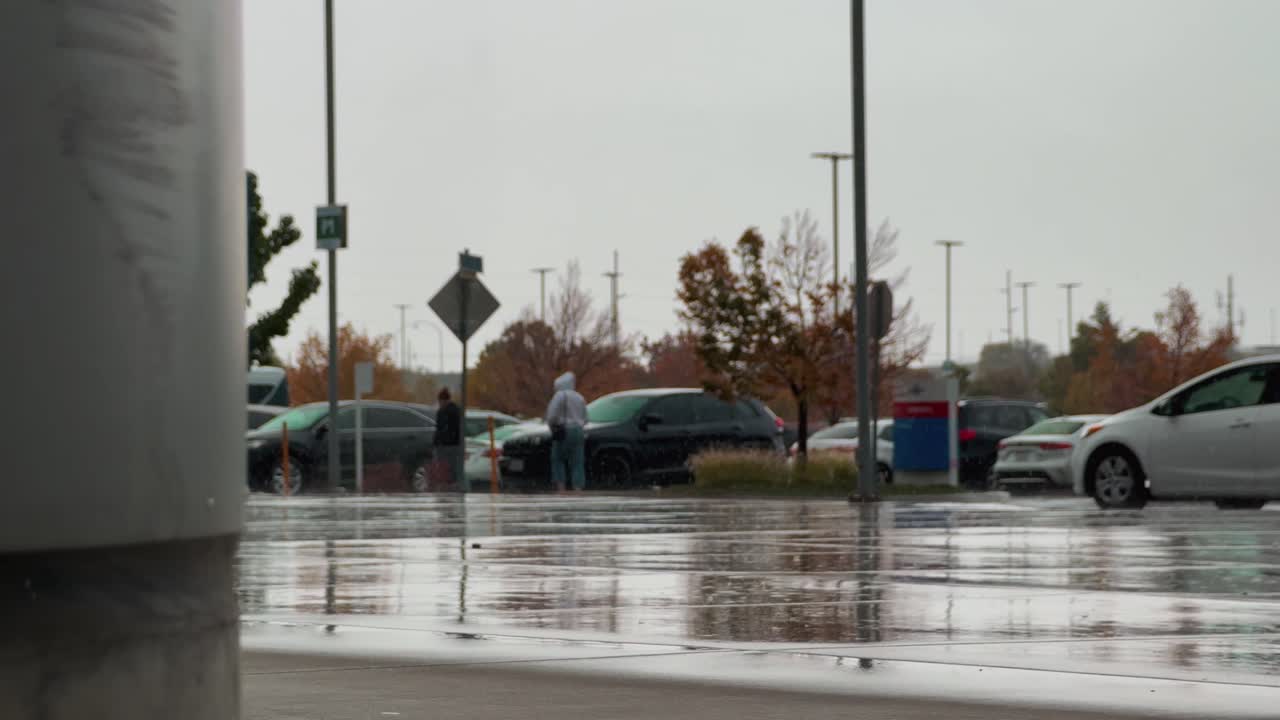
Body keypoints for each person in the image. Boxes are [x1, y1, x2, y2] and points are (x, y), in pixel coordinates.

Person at [546, 372, 588, 492]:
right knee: (577, 461)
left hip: (563, 430)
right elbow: (586, 418)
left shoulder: (559, 396)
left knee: (558, 459)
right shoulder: (580, 397)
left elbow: (552, 416)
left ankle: (561, 487)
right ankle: (578, 487)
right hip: (579, 431)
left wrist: (552, 426)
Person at [433, 387, 463, 491]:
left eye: (440, 401)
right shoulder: (456, 410)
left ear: (442, 400)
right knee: (452, 466)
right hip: (454, 444)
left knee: (445, 466)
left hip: (445, 445)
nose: (439, 403)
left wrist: (436, 442)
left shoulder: (442, 411)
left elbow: (440, 429)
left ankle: (447, 484)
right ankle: (452, 484)